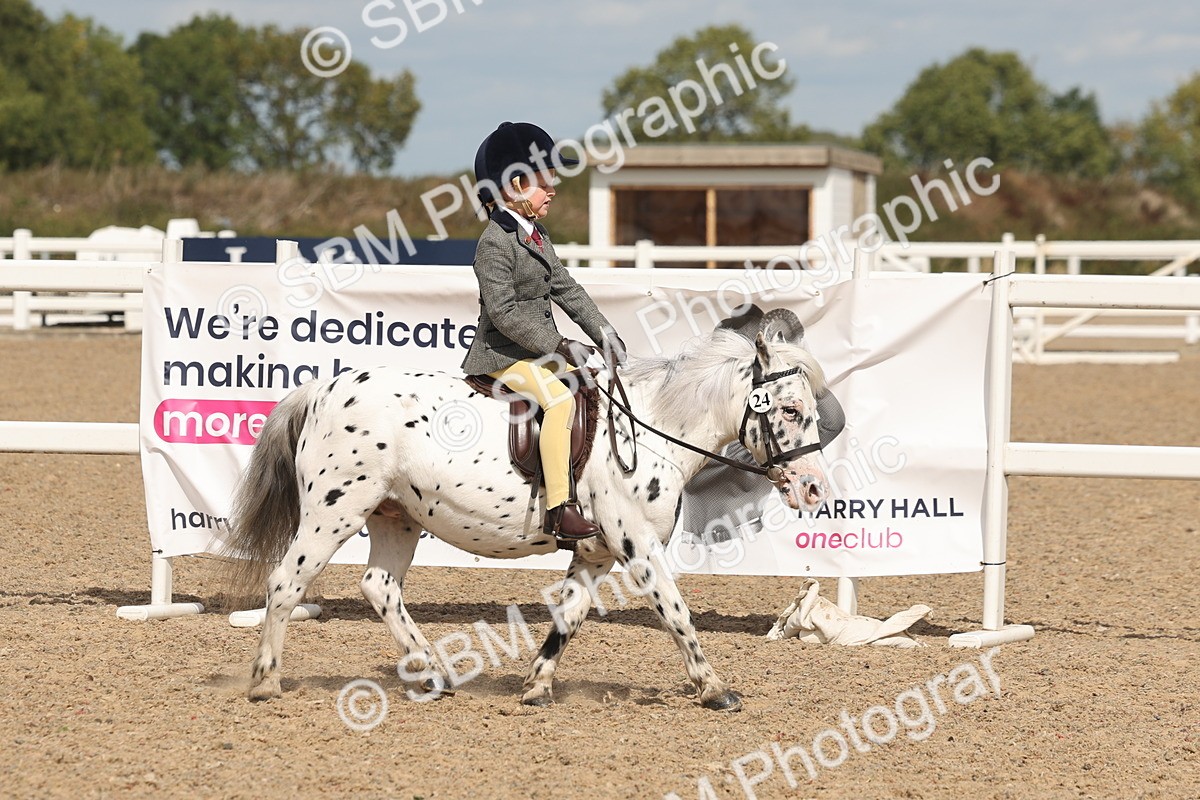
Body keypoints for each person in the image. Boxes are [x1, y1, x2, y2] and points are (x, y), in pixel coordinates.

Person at [460, 122, 627, 543]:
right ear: (515, 183)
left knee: (589, 385)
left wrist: (603, 331)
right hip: (500, 356)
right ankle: (560, 508)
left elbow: (566, 287)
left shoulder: (536, 235)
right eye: (544, 180)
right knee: (558, 399)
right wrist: (559, 344)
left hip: (532, 354)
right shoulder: (494, 242)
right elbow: (504, 313)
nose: (552, 188)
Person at [679, 305, 845, 543]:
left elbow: (833, 421)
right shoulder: (721, 408)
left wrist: (798, 372)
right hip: (730, 531)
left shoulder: (758, 428)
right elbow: (834, 421)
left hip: (714, 532)